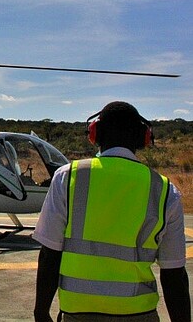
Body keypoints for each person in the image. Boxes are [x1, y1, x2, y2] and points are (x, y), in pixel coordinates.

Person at [33, 101, 190, 322]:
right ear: (143, 138)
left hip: (78, 313)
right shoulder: (164, 190)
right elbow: (174, 274)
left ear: (95, 134)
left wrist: (41, 312)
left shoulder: (67, 177)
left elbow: (50, 253)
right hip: (138, 314)